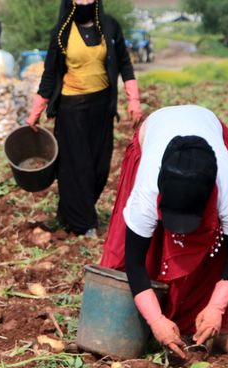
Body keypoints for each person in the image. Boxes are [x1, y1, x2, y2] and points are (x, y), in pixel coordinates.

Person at [99, 105, 228, 360]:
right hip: (155, 129)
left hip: (207, 125)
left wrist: (216, 307)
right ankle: (154, 325)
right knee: (141, 252)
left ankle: (201, 327)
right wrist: (156, 319)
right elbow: (134, 263)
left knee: (214, 253)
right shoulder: (146, 193)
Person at [27, 0, 141, 238]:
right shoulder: (62, 32)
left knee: (100, 168)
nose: (84, 2)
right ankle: (83, 223)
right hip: (72, 110)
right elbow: (49, 74)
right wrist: (35, 113)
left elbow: (124, 64)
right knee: (77, 168)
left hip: (102, 109)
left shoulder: (109, 27)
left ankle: (71, 213)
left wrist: (134, 101)